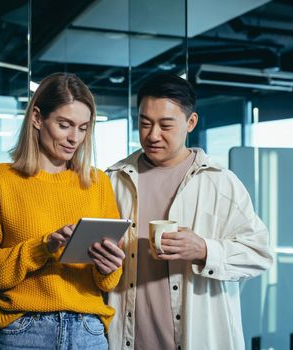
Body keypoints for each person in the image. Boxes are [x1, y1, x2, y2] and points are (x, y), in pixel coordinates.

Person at [106, 73, 273, 350]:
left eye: (165, 125)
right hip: (125, 339)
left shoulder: (220, 182)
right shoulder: (113, 179)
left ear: (190, 123)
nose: (153, 135)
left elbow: (260, 254)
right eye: (144, 123)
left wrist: (205, 249)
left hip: (199, 338)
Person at [0, 72, 126, 350]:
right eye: (65, 125)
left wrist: (109, 267)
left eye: (83, 128)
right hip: (25, 332)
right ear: (37, 118)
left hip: (88, 331)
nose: (75, 138)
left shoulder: (98, 183)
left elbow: (108, 280)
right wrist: (42, 248)